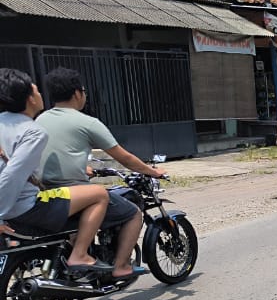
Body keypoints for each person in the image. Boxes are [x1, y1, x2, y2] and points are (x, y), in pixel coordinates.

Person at [37, 67, 166, 279]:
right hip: (73, 192)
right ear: (77, 93)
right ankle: (121, 266)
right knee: (133, 213)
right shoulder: (87, 122)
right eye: (84, 91)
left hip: (46, 192)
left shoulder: (40, 120)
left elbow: (55, 153)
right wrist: (153, 171)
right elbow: (124, 158)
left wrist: (82, 169)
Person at [0, 68, 113, 274]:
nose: (41, 94)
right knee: (99, 194)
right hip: (25, 208)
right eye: (36, 91)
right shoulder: (33, 131)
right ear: (30, 99)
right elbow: (12, 175)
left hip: (12, 204)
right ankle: (80, 255)